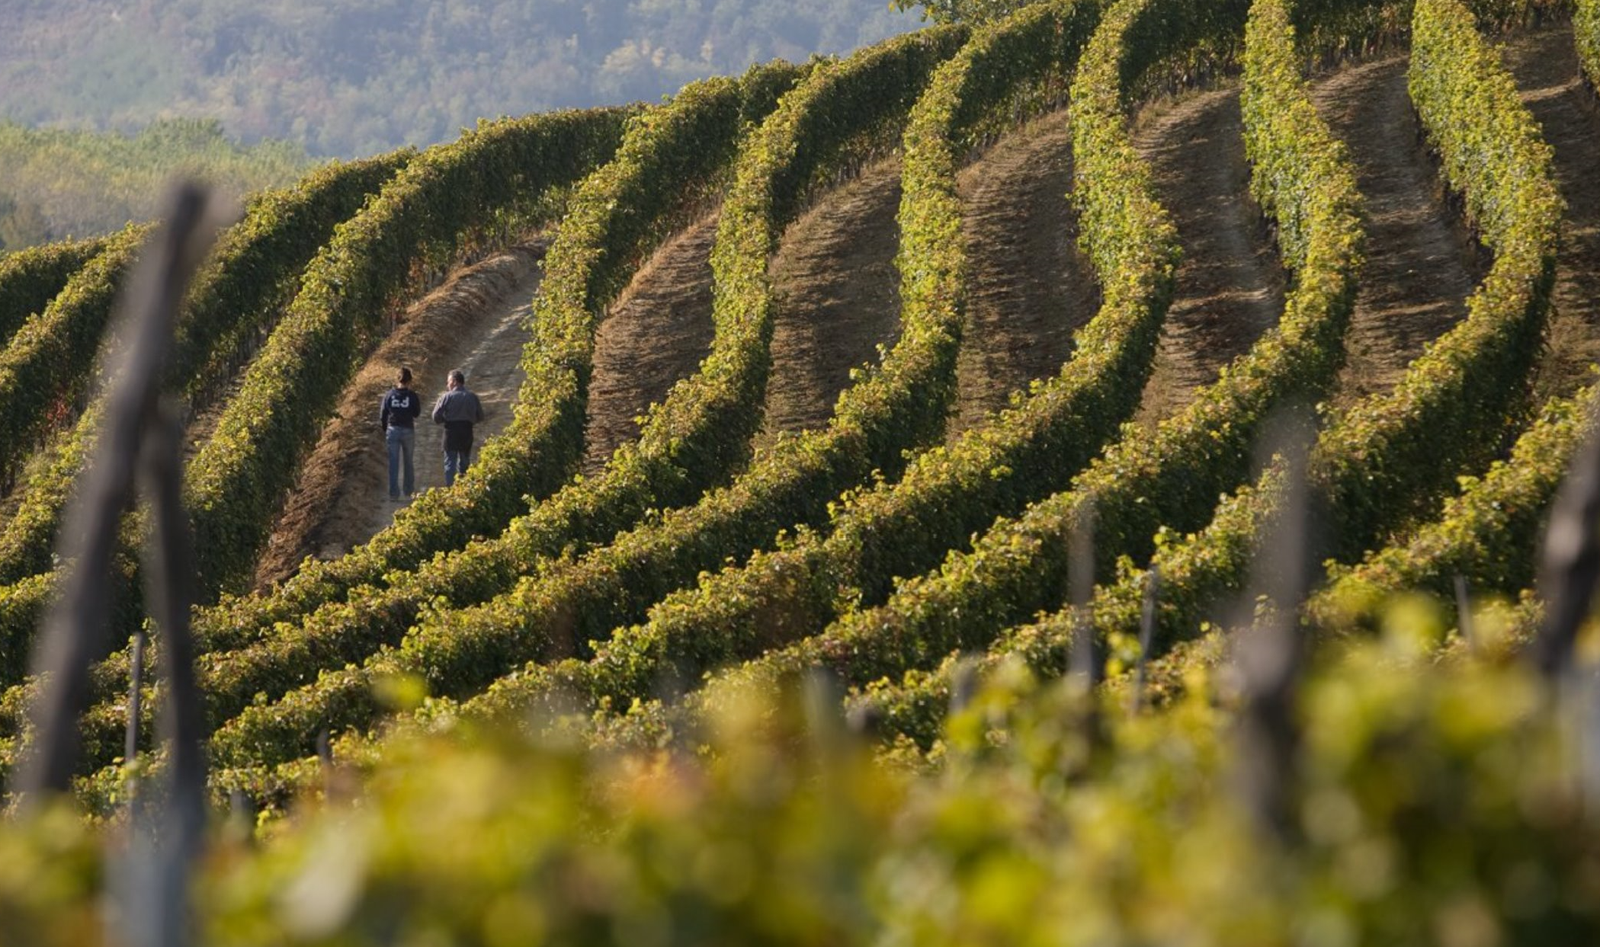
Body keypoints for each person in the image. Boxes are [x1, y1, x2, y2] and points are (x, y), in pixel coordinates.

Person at [432, 368, 485, 486]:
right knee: (464, 463)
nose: (447, 384)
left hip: (450, 432)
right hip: (466, 431)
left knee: (450, 463)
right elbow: (481, 416)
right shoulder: (472, 396)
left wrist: (445, 419)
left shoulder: (446, 397)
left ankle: (450, 490)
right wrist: (470, 421)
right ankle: (463, 490)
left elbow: (435, 416)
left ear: (455, 381)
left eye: (448, 381)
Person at [379, 366, 422, 501]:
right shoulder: (412, 395)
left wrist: (386, 429)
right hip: (408, 429)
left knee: (393, 462)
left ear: (397, 379)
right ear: (410, 381)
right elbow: (416, 413)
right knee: (408, 461)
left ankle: (393, 493)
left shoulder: (389, 395)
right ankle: (408, 491)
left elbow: (382, 415)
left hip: (393, 430)